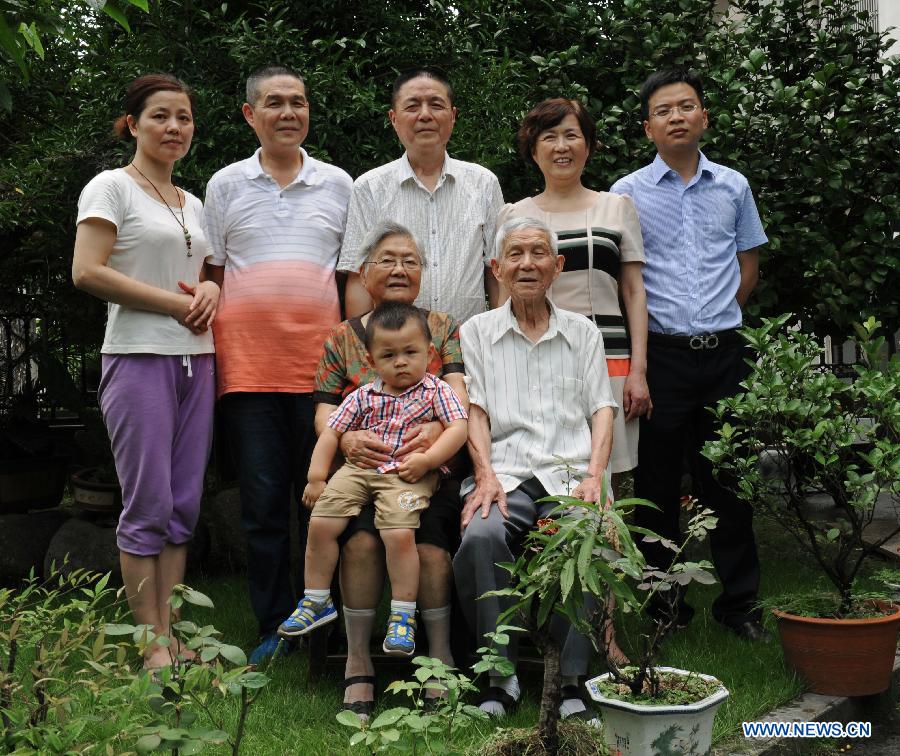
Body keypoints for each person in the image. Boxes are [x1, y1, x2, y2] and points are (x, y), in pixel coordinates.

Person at [610, 68, 769, 641]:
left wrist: (718, 315)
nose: (676, 117)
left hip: (724, 355)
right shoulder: (626, 193)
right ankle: (663, 606)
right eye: (664, 110)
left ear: (704, 116)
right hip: (663, 358)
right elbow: (626, 277)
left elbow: (747, 264)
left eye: (687, 106)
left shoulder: (733, 185)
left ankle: (740, 604)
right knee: (655, 487)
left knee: (728, 481)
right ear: (648, 126)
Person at [202, 65, 353, 663]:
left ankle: (331, 623)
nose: (287, 112)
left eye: (298, 102)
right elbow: (212, 272)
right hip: (248, 369)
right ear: (250, 114)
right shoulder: (226, 184)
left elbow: (350, 275)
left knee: (326, 500)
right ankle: (274, 625)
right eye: (274, 103)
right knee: (264, 506)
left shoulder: (339, 183)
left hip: (324, 374)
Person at [72, 74, 217, 671]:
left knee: (183, 502)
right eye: (161, 116)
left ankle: (174, 633)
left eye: (183, 117)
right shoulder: (111, 188)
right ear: (133, 124)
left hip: (199, 362)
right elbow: (87, 271)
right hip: (138, 359)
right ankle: (150, 643)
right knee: (147, 501)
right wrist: (176, 304)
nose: (174, 127)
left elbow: (201, 272)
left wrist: (208, 287)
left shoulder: (193, 200)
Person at [454, 217, 618, 720]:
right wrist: (483, 475)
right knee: (481, 537)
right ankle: (499, 676)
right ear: (497, 268)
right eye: (516, 253)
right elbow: (474, 411)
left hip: (570, 474)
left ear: (557, 265)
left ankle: (572, 680)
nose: (528, 263)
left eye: (539, 252)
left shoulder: (583, 331)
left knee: (584, 535)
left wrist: (595, 477)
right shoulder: (477, 332)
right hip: (503, 474)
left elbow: (602, 409)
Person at [313, 221, 468, 717]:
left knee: (429, 548)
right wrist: (346, 437)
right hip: (363, 469)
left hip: (426, 467)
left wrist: (437, 438)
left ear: (422, 273)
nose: (400, 268)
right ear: (364, 272)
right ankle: (359, 661)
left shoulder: (441, 326)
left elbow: (458, 397)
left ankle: (437, 658)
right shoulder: (342, 336)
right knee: (358, 542)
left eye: (411, 261)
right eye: (388, 259)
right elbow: (323, 408)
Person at [277, 301, 468, 660]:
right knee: (320, 522)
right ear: (371, 359)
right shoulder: (364, 394)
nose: (400, 362)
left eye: (410, 353)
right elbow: (332, 433)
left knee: (399, 533)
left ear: (428, 353)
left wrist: (428, 458)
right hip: (359, 471)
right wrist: (317, 478)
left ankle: (402, 615)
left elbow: (458, 428)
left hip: (407, 473)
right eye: (389, 354)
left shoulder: (436, 391)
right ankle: (316, 600)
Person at [499, 98, 651, 482]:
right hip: (534, 359)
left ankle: (604, 543)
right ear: (534, 150)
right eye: (549, 137)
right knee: (539, 469)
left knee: (607, 471)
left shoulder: (617, 207)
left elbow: (633, 291)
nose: (561, 146)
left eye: (572, 135)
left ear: (589, 145)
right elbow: (504, 298)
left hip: (610, 355)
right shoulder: (513, 215)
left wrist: (640, 370)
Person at [337, 66, 505, 323]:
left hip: (468, 346)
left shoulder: (484, 183)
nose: (425, 115)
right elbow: (358, 275)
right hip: (395, 350)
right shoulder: (369, 187)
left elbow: (496, 274)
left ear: (453, 115)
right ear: (394, 118)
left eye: (436, 105)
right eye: (413, 106)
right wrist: (364, 348)